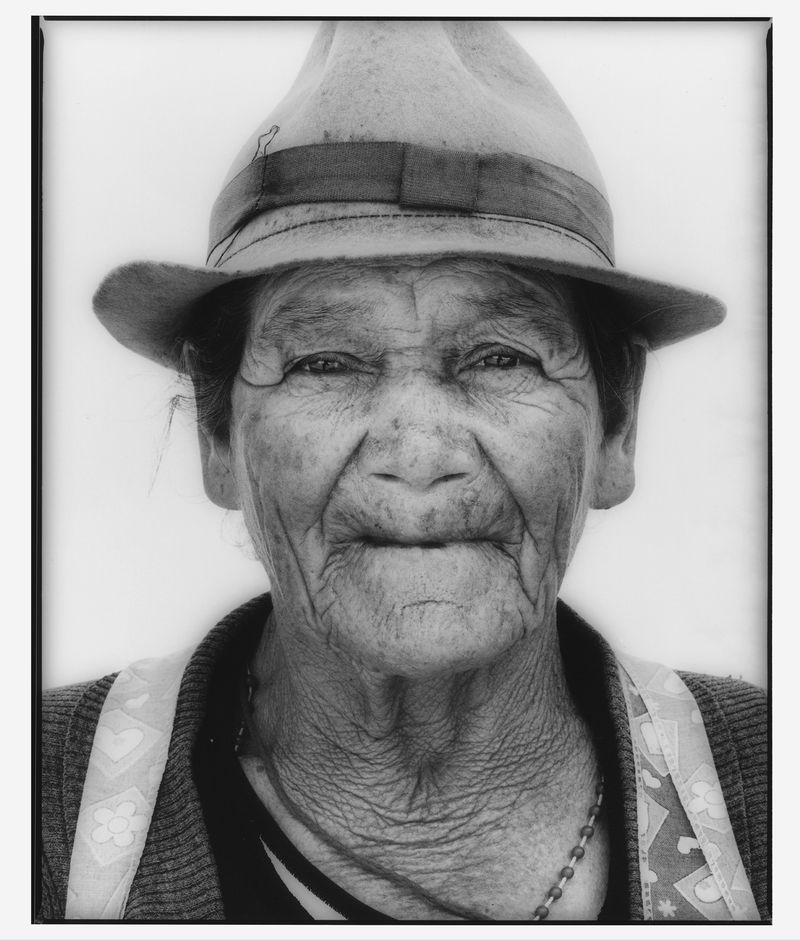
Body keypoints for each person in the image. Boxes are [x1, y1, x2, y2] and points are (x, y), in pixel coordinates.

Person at [39, 20, 767, 923]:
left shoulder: (770, 789)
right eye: (325, 362)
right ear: (218, 437)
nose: (419, 454)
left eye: (501, 356)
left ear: (616, 426)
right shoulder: (35, 806)